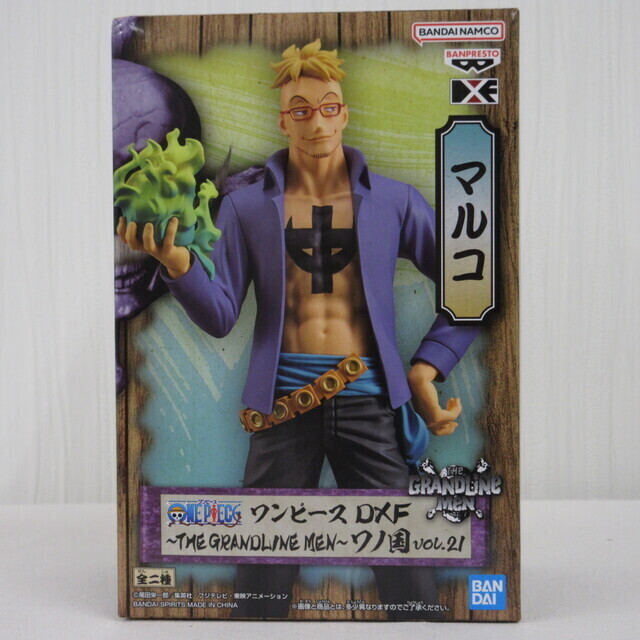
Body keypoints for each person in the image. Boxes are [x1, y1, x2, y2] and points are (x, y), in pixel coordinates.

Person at [117, 39, 478, 619]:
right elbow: (221, 315)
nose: (318, 122)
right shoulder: (247, 207)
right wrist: (179, 266)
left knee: (409, 577)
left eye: (329, 107)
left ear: (345, 113)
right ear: (283, 120)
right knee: (260, 579)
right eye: (302, 110)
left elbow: (470, 286)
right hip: (281, 407)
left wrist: (426, 367)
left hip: (369, 401)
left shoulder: (393, 201)